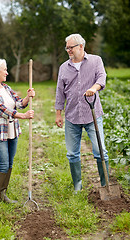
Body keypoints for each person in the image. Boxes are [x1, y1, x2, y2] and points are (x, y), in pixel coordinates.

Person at [55, 33, 109, 194]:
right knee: (72, 153)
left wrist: (94, 88)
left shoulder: (95, 60)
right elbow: (59, 92)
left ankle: (105, 183)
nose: (68, 50)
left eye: (71, 47)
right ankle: (77, 185)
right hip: (72, 116)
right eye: (67, 48)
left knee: (100, 151)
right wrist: (58, 113)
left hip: (92, 114)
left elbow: (102, 77)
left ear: (81, 46)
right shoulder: (64, 67)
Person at [0, 58, 35, 211]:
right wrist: (23, 116)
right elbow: (3, 111)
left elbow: (18, 103)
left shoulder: (6, 87)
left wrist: (27, 97)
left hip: (12, 132)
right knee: (3, 165)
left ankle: (2, 195)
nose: (7, 72)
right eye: (4, 69)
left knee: (9, 165)